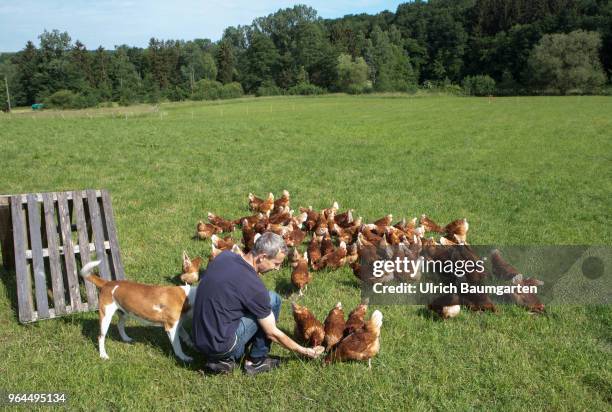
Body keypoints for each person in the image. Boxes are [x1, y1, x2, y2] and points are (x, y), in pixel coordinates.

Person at [192, 232, 323, 375]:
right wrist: (305, 351)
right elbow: (272, 333)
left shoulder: (224, 256)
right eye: (276, 263)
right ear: (262, 258)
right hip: (221, 346)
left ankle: (221, 361)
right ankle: (256, 361)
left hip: (198, 339)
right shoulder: (254, 287)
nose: (277, 268)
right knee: (273, 299)